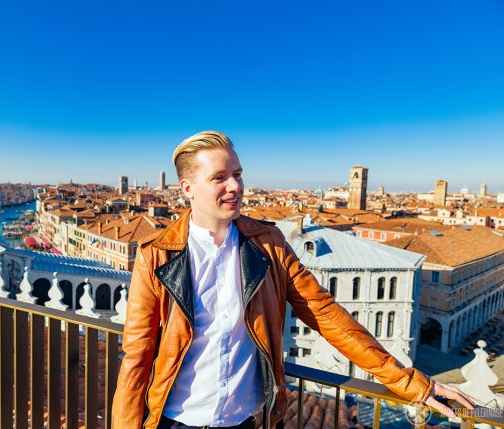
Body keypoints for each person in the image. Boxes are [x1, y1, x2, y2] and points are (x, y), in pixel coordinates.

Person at [112, 131, 474, 429]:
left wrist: (409, 382)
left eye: (237, 173)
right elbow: (137, 356)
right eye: (219, 178)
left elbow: (326, 314)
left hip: (249, 420)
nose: (235, 186)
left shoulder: (268, 244)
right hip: (177, 420)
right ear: (188, 188)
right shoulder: (156, 255)